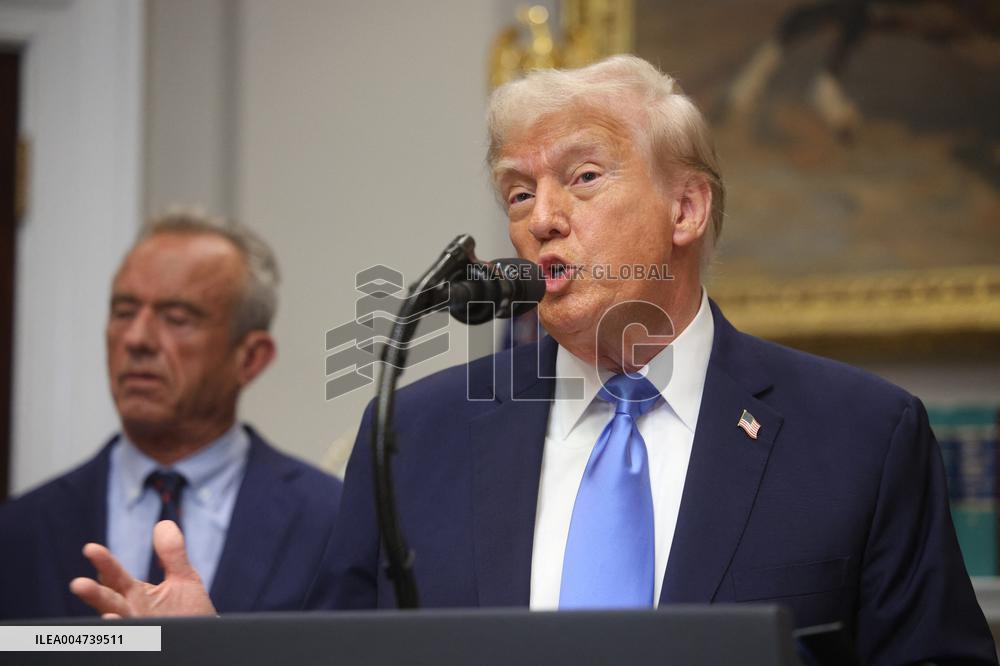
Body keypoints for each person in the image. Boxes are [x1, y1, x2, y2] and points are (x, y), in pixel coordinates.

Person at [70, 57, 995, 663]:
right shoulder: (417, 435)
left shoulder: (860, 437)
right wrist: (211, 654)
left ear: (686, 210)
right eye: (518, 190)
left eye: (583, 177)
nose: (539, 216)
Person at [0, 212, 343, 618]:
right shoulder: (21, 528)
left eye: (177, 318)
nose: (137, 339)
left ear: (250, 358)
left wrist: (209, 654)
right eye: (124, 312)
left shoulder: (331, 522)